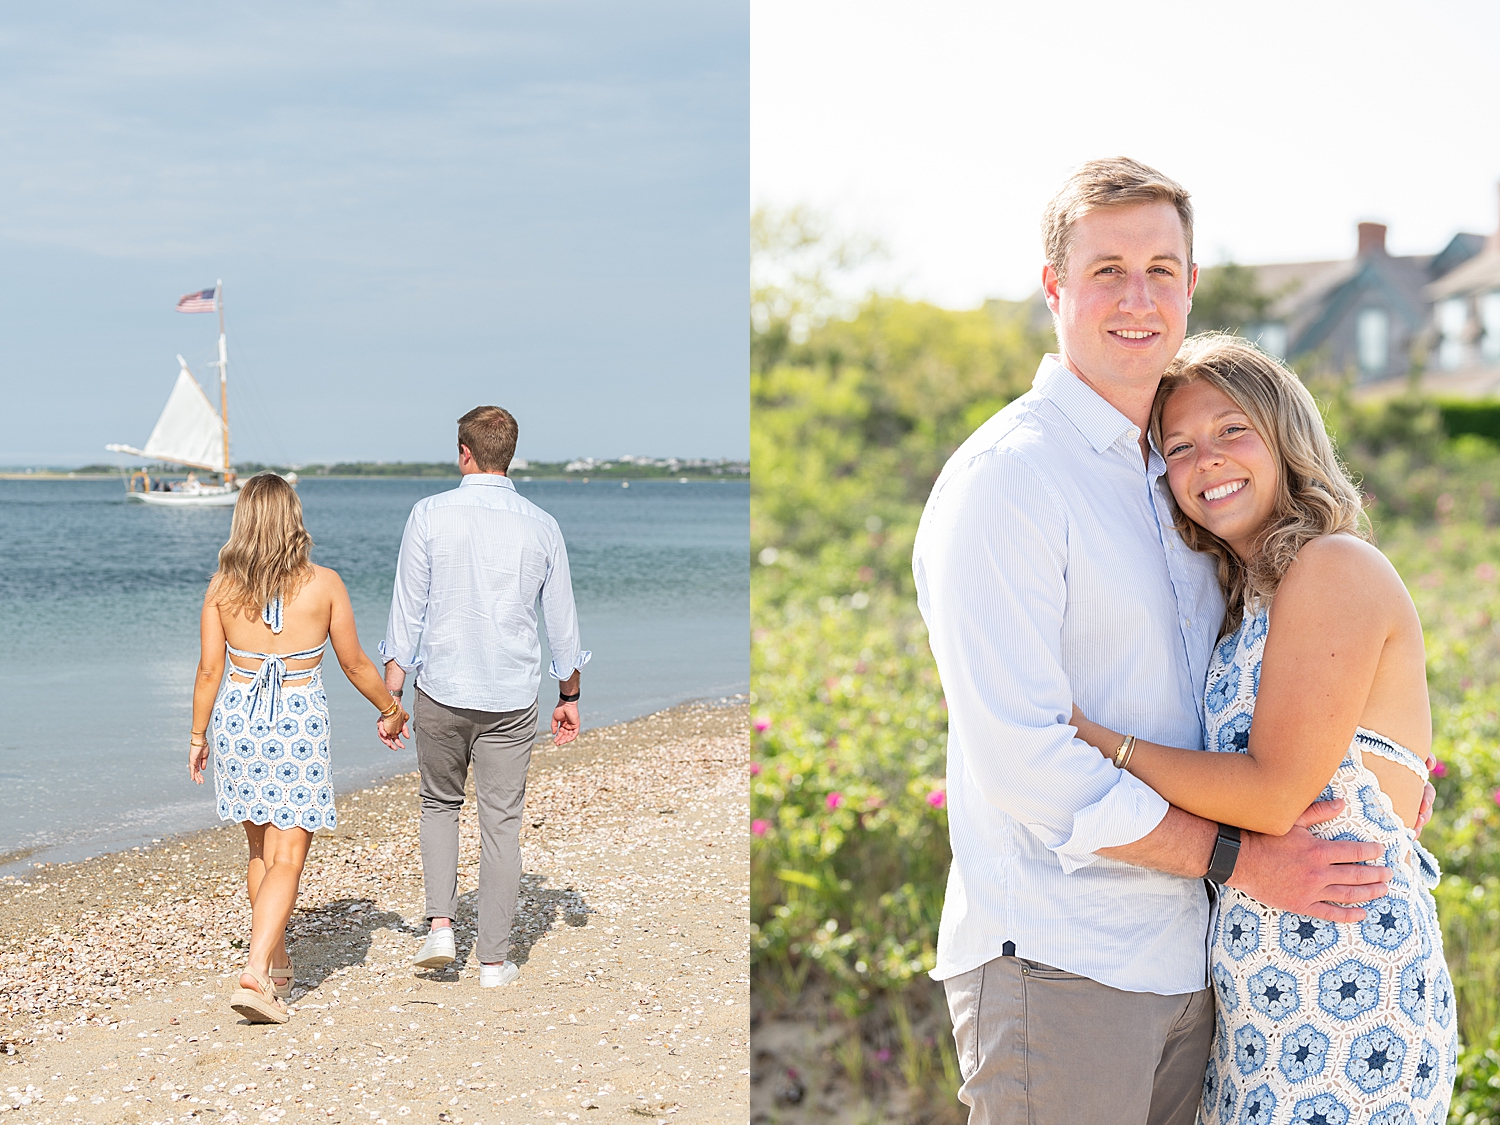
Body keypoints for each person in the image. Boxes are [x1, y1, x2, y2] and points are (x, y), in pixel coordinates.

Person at [911, 158, 1434, 1125]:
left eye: (1162, 267)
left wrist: (1383, 783)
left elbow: (1293, 735)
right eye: (1107, 269)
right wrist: (1241, 861)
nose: (1138, 295)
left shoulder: (1179, 497)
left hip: (1212, 976)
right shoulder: (1011, 477)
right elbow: (1028, 763)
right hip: (1063, 959)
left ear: (1193, 285)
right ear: (1054, 287)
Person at [1068, 334, 1456, 1123]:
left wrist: (1100, 741)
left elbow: (1274, 794)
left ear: (1285, 435)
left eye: (1231, 430)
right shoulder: (1250, 602)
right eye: (1178, 447)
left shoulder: (1332, 565)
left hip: (1351, 996)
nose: (1206, 459)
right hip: (1265, 1011)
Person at [378, 405, 589, 988]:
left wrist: (391, 697)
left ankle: (441, 926)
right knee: (501, 823)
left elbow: (407, 613)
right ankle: (493, 962)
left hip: (440, 690)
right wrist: (569, 693)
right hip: (510, 695)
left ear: (464, 452)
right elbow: (562, 624)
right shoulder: (541, 525)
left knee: (439, 804)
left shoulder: (428, 515)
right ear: (509, 454)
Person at [188, 473, 409, 1024]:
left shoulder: (221, 586)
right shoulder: (325, 583)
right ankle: (256, 972)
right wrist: (390, 708)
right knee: (289, 853)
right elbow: (354, 662)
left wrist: (198, 736)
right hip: (294, 720)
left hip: (239, 718)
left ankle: (278, 956)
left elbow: (210, 669)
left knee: (261, 850)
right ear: (294, 519)